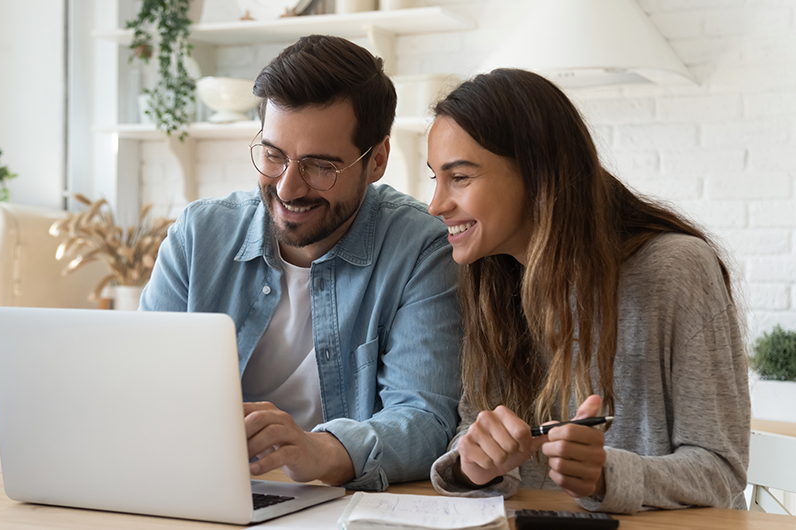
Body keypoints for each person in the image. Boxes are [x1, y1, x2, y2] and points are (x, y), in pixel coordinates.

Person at [140, 35, 462, 491]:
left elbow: (425, 420)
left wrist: (318, 451)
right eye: (273, 155)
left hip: (338, 504)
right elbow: (141, 388)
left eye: (320, 166)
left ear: (377, 160)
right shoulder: (198, 236)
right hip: (201, 490)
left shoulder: (421, 250)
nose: (288, 188)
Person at [426, 68, 750, 514]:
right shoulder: (493, 280)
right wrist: (474, 465)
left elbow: (721, 471)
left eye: (459, 177)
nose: (436, 204)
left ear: (537, 173)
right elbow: (474, 430)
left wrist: (606, 476)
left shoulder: (677, 270)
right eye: (435, 179)